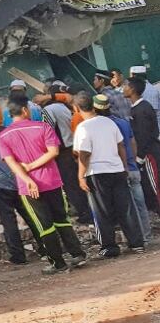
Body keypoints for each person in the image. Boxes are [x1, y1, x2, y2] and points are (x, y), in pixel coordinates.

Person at [0, 94, 87, 274]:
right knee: (61, 219)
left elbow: (12, 163)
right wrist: (34, 165)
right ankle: (77, 254)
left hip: (28, 187)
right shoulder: (42, 127)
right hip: (52, 180)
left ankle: (58, 263)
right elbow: (53, 152)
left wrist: (28, 178)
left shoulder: (3, 136)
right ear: (25, 110)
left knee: (44, 225)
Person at [0, 105, 48, 264]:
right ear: (0, 117)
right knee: (31, 216)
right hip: (21, 180)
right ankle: (45, 248)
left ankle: (18, 256)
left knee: (8, 220)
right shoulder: (11, 131)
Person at [73, 94, 145, 257]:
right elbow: (121, 146)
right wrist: (124, 166)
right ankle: (137, 243)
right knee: (126, 208)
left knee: (102, 212)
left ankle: (109, 247)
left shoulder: (83, 128)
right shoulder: (109, 122)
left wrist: (81, 176)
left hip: (97, 173)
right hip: (117, 170)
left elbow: (83, 154)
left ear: (76, 109)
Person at [98, 98, 153, 245]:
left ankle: (136, 238)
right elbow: (133, 142)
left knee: (126, 208)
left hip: (118, 170)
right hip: (132, 167)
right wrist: (133, 161)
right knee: (140, 204)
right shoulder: (123, 122)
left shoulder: (103, 126)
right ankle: (146, 235)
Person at [41, 82, 92, 223]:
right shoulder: (67, 107)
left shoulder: (48, 110)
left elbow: (47, 130)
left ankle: (85, 214)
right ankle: (90, 210)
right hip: (74, 148)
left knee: (71, 185)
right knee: (80, 181)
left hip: (62, 152)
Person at [126, 77, 160, 214]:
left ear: (132, 89)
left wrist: (140, 157)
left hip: (149, 154)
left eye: (126, 86)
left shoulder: (141, 110)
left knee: (155, 184)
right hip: (149, 152)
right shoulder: (140, 107)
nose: (123, 89)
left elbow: (144, 135)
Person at [129, 66, 160, 134]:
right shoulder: (142, 88)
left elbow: (151, 114)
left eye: (131, 76)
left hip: (152, 131)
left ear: (135, 76)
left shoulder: (149, 90)